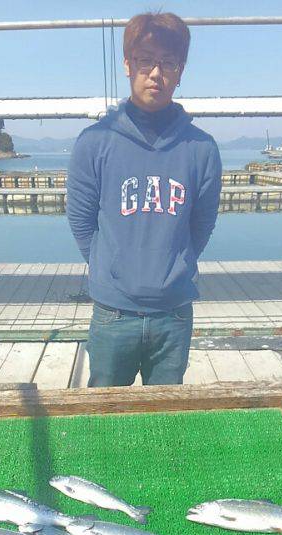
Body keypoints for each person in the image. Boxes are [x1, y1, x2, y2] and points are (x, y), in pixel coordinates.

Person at [67, 11, 222, 387]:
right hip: (112, 314)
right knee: (103, 420)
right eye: (146, 60)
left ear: (181, 71)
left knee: (165, 424)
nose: (156, 73)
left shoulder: (202, 148)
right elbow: (82, 221)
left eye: (168, 62)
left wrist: (171, 268)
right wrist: (112, 268)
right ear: (127, 64)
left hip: (174, 315)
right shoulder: (94, 142)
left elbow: (201, 225)